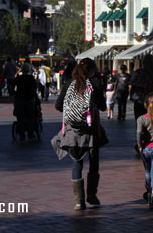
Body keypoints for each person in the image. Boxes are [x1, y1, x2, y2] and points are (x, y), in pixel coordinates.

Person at [54, 58, 107, 210]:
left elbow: (58, 105)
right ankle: (91, 194)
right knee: (93, 162)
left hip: (72, 131)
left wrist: (73, 112)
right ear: (91, 70)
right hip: (91, 130)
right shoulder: (94, 85)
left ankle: (79, 201)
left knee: (77, 161)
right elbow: (103, 107)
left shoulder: (68, 84)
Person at [129, 54, 153, 121]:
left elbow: (131, 82)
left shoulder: (138, 72)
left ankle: (140, 131)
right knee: (150, 121)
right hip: (150, 100)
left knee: (139, 121)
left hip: (138, 100)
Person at [13, 63, 38, 143]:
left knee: (20, 119)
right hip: (29, 99)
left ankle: (22, 136)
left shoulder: (18, 78)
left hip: (19, 99)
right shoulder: (31, 78)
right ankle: (30, 135)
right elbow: (35, 87)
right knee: (30, 118)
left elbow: (13, 84)